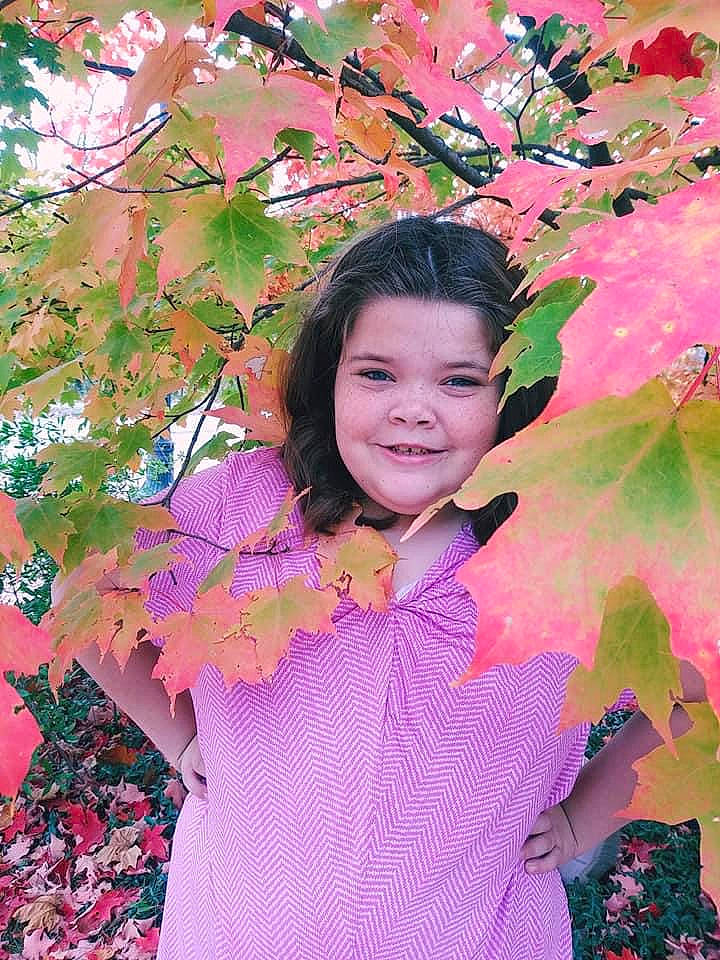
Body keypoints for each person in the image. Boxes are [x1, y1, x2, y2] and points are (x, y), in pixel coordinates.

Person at [69, 217, 706, 959]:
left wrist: (582, 820)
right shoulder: (236, 515)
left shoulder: (572, 544)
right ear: (326, 380)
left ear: (517, 392)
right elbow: (80, 607)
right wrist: (179, 739)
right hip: (236, 926)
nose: (413, 408)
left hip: (478, 932)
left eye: (461, 381)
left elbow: (697, 691)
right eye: (376, 373)